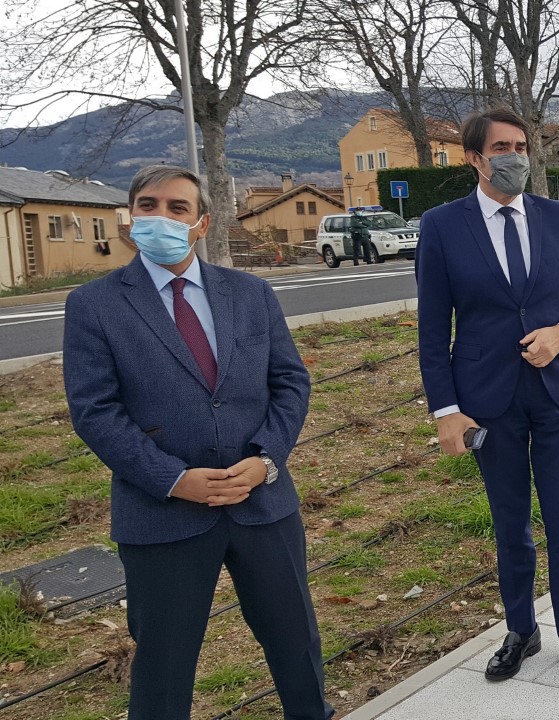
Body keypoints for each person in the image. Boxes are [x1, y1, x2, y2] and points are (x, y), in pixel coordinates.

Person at [62, 166, 330, 719]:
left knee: (296, 644)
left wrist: (266, 461)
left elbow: (290, 383)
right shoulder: (94, 305)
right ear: (131, 219)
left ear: (201, 222)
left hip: (262, 504)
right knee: (163, 665)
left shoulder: (251, 294)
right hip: (163, 515)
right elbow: (95, 411)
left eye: (177, 208)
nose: (161, 217)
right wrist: (172, 479)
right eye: (148, 205)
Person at [416, 109, 559, 684]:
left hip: (557, 396)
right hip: (487, 401)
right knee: (510, 522)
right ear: (474, 158)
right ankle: (520, 629)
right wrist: (446, 412)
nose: (515, 157)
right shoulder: (442, 226)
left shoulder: (558, 218)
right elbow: (433, 331)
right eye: (501, 147)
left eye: (521, 146)